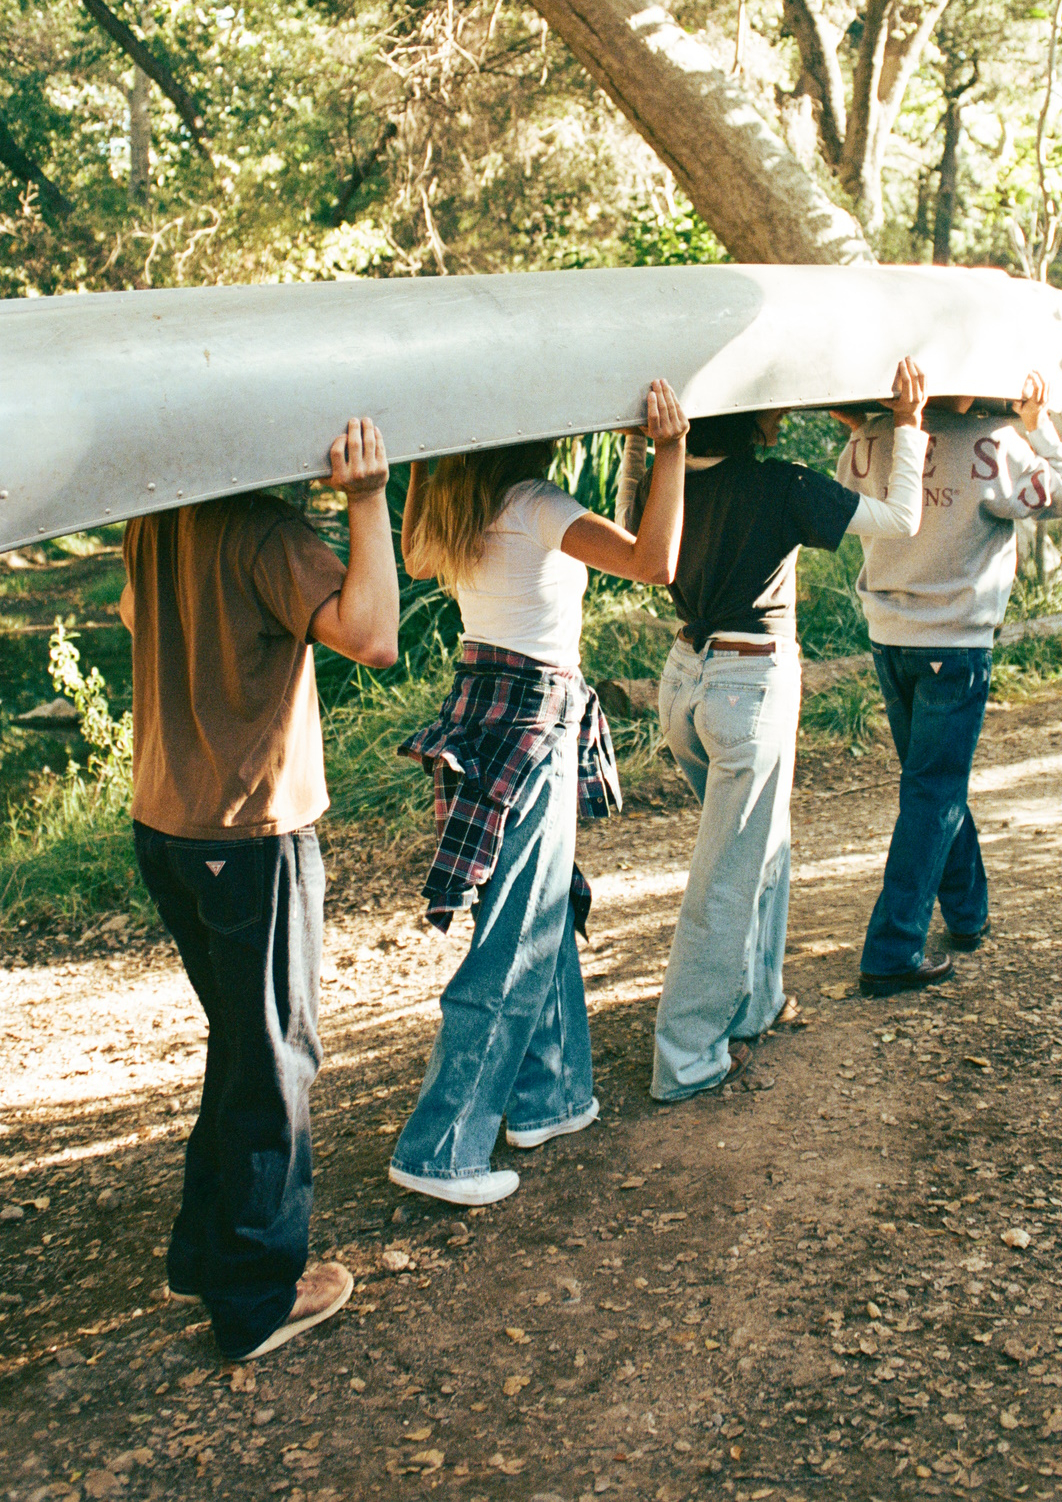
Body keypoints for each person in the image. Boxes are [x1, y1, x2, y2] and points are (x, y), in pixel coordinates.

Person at [120, 419, 399, 1361]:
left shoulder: (157, 518)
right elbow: (374, 636)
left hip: (166, 820)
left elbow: (129, 616)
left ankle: (210, 1254)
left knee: (244, 1043)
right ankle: (254, 1296)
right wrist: (367, 501)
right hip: (245, 833)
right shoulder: (270, 535)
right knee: (277, 1057)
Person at [390, 380, 689, 1208]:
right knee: (515, 931)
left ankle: (549, 1097)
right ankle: (442, 1148)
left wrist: (421, 452)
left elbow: (414, 558)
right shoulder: (532, 501)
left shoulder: (461, 498)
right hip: (531, 712)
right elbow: (654, 564)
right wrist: (669, 450)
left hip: (484, 700)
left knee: (539, 903)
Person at [617, 360, 929, 1104]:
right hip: (749, 686)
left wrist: (641, 442)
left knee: (764, 847)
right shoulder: (782, 484)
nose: (781, 417)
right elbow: (900, 520)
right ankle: (686, 1058)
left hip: (685, 685)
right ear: (747, 416)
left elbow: (634, 529)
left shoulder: (671, 478)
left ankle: (756, 1004)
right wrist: (910, 426)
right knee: (729, 875)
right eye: (770, 406)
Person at [836, 372, 1062, 995]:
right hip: (956, 639)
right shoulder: (997, 442)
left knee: (932, 781)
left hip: (889, 637)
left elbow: (847, 502)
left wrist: (873, 425)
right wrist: (1038, 424)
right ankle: (892, 951)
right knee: (934, 789)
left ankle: (969, 915)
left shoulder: (872, 439)